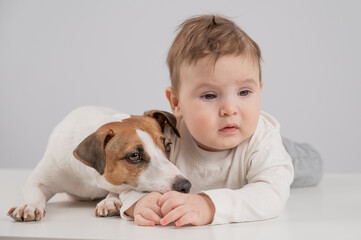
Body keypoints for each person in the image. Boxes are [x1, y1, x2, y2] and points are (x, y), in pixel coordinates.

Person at [118, 14, 323, 227]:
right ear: (177, 103)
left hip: (263, 149)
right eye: (210, 96)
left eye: (244, 92)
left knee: (308, 166)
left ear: (259, 90)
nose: (230, 109)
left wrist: (208, 206)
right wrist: (140, 201)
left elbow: (271, 194)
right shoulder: (165, 139)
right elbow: (121, 179)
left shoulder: (263, 140)